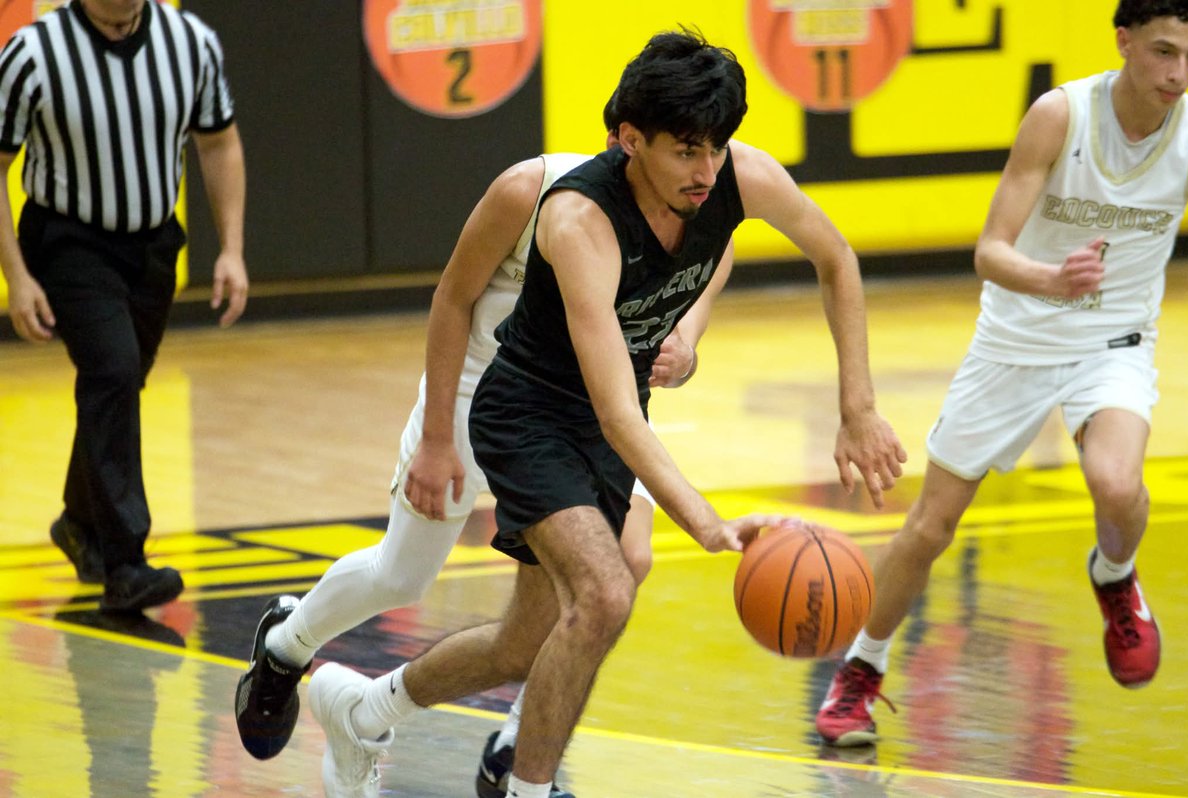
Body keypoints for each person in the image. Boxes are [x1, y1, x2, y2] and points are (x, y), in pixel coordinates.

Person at [305, 28, 906, 798]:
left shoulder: (738, 177)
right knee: (605, 592)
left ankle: (363, 709)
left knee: (523, 644)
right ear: (631, 139)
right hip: (528, 414)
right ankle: (527, 788)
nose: (706, 169)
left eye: (716, 147)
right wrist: (708, 523)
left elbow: (836, 259)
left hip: (602, 416)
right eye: (685, 151)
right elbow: (620, 414)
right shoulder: (578, 220)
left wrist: (858, 407)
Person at [234, 122, 728, 789]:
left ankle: (517, 747)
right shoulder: (533, 191)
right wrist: (437, 438)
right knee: (403, 576)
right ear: (627, 145)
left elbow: (713, 267)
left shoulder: (688, 202)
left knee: (624, 563)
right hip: (481, 385)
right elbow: (453, 298)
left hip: (588, 403)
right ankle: (286, 643)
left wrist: (687, 344)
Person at [815, 0, 1188, 748]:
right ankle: (861, 668)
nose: (1178, 73)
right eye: (1163, 52)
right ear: (1123, 42)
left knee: (1116, 483)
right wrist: (1051, 280)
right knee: (930, 527)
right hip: (1016, 338)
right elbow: (989, 252)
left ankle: (1115, 575)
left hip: (1114, 341)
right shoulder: (1062, 116)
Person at [0, 0, 248, 612]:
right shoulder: (33, 54)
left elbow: (219, 144)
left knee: (120, 384)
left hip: (153, 245)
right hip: (68, 242)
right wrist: (17, 276)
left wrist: (232, 249)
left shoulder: (190, 43)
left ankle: (79, 522)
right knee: (112, 373)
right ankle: (126, 564)